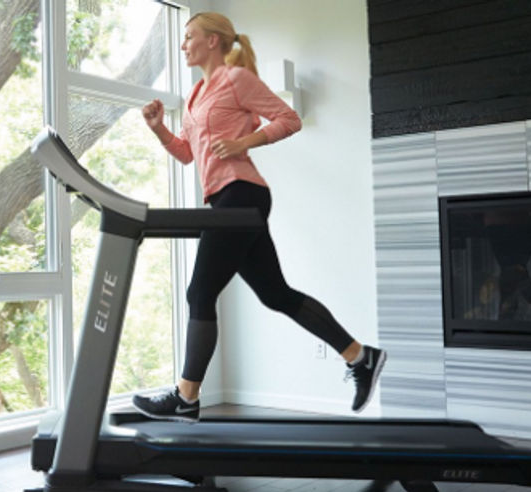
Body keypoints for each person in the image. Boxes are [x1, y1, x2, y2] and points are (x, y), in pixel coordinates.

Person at [132, 12, 387, 423]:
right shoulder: (196, 92)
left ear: (213, 41)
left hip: (242, 194)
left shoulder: (237, 79)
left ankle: (186, 397)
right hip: (224, 200)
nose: (183, 45)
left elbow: (289, 119)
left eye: (189, 36)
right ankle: (360, 356)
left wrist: (242, 143)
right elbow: (186, 154)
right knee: (276, 294)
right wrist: (159, 128)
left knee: (199, 293)